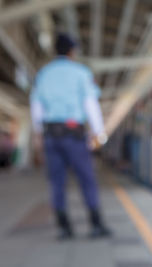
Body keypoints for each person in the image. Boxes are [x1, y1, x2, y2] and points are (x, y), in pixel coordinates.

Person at [30, 33, 111, 240]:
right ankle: (96, 224)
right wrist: (99, 133)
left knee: (57, 182)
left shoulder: (44, 74)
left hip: (50, 135)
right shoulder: (80, 73)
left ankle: (64, 228)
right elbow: (90, 105)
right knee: (87, 179)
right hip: (73, 134)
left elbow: (37, 107)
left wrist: (38, 134)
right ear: (71, 51)